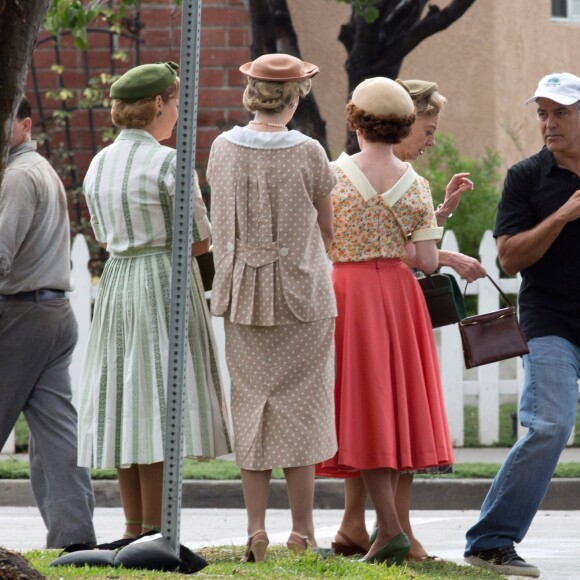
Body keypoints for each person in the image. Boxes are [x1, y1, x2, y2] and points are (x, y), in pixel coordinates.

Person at [325, 79, 486, 562]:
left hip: (347, 294)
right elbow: (428, 260)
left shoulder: (330, 174)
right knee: (399, 406)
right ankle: (387, 529)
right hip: (396, 297)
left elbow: (321, 239)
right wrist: (436, 219)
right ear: (403, 126)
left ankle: (382, 530)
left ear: (355, 119)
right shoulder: (414, 183)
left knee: (362, 406)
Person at [78, 62, 231, 540]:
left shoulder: (99, 162)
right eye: (177, 102)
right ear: (160, 104)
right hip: (163, 279)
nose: (179, 112)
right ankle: (157, 528)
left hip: (119, 278)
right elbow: (200, 239)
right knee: (160, 403)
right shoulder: (168, 162)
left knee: (126, 399)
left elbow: (102, 233)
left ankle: (132, 527)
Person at [207, 53, 338, 562]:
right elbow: (329, 229)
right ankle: (302, 531)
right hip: (301, 297)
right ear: (295, 95)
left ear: (250, 94)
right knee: (300, 409)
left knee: (252, 404)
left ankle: (255, 529)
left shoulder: (222, 147)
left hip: (242, 294)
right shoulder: (308, 152)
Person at [464, 72, 580, 578]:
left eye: (561, 113)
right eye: (542, 114)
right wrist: (561, 216)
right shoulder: (526, 177)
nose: (549, 123)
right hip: (550, 317)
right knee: (549, 425)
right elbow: (509, 258)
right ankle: (490, 542)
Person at [0, 95, 96, 549]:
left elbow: (1, 254)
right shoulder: (40, 169)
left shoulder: (18, 176)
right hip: (54, 311)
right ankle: (75, 539)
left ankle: (74, 536)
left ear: (25, 125)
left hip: (22, 313)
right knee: (57, 433)